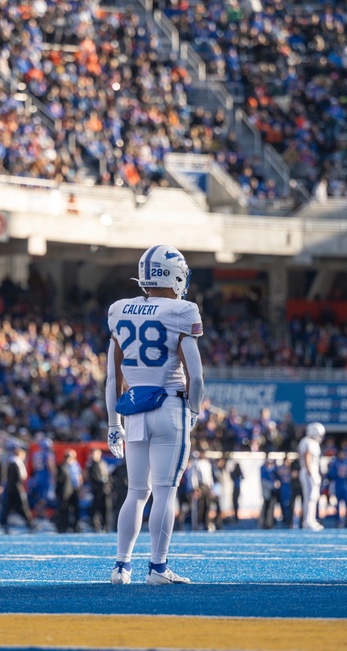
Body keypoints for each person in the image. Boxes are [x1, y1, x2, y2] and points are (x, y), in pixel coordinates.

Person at [107, 244, 205, 586]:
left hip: (133, 410)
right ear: (175, 275)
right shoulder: (182, 311)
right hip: (170, 407)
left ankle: (121, 567)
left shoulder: (119, 310)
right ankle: (158, 569)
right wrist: (193, 409)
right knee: (165, 490)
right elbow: (197, 376)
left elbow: (112, 377)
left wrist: (112, 422)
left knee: (136, 491)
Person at [298, 422, 325, 531]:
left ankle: (311, 519)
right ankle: (308, 521)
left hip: (311, 471)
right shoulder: (308, 442)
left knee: (313, 497)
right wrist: (311, 473)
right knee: (309, 498)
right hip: (308, 472)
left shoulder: (312, 442)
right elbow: (307, 458)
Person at [1, 445, 33, 533]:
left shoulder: (11, 462)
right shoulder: (15, 463)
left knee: (9, 508)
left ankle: (4, 524)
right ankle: (29, 523)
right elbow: (18, 478)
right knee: (22, 506)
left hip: (11, 488)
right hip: (16, 489)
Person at [55, 449, 83, 533]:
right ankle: (63, 526)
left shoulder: (76, 465)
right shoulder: (62, 466)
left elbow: (79, 476)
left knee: (75, 509)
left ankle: (75, 526)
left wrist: (80, 488)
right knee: (64, 509)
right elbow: (58, 480)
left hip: (75, 489)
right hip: (65, 490)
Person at [86, 448, 111, 533]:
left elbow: (107, 475)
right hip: (96, 490)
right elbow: (94, 477)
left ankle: (106, 525)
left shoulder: (103, 463)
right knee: (96, 508)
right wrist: (103, 483)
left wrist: (107, 484)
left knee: (106, 508)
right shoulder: (91, 465)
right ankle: (96, 526)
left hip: (105, 490)